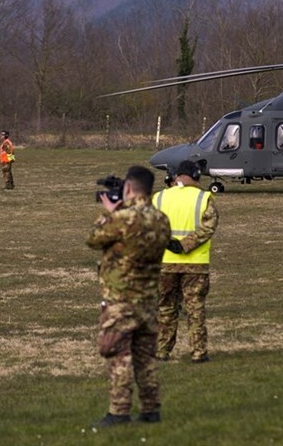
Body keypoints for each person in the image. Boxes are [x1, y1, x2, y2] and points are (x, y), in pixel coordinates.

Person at [85, 166, 171, 429]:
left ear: (129, 188)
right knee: (146, 358)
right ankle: (151, 409)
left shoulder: (123, 218)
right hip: (148, 300)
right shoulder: (161, 219)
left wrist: (110, 213)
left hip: (121, 300)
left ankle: (119, 411)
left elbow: (93, 239)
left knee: (119, 355)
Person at [152, 160, 219, 363]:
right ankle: (198, 353)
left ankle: (162, 350)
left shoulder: (159, 197)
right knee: (195, 309)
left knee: (165, 308)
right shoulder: (204, 197)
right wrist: (185, 245)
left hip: (164, 264)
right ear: (196, 175)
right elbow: (208, 227)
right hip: (196, 264)